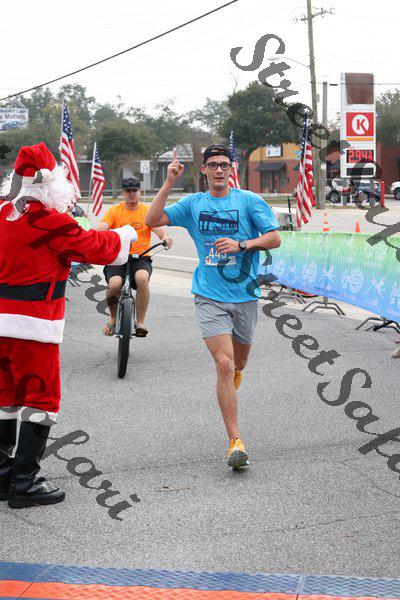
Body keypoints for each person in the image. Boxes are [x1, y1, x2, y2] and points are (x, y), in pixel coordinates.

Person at [0, 142, 137, 508]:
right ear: (51, 184)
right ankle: (24, 482)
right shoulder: (51, 221)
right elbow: (98, 247)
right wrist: (125, 235)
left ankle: (2, 474)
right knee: (41, 400)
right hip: (33, 326)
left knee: (4, 398)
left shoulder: (1, 213)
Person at [145, 145, 281, 469]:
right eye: (213, 165)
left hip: (245, 294)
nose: (219, 170)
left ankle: (230, 385)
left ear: (231, 168)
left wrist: (243, 244)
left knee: (239, 364)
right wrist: (169, 182)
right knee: (224, 364)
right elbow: (151, 220)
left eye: (224, 164)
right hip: (209, 294)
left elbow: (274, 238)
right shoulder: (194, 204)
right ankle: (235, 441)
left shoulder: (248, 201)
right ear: (204, 169)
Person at [98, 177, 172, 337]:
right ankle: (113, 318)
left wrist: (165, 237)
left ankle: (141, 322)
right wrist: (100, 233)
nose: (131, 194)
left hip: (141, 258)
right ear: (123, 193)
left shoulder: (147, 211)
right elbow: (103, 226)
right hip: (118, 257)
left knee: (142, 278)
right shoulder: (115, 211)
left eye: (134, 190)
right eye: (128, 191)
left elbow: (160, 230)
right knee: (115, 284)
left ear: (139, 191)